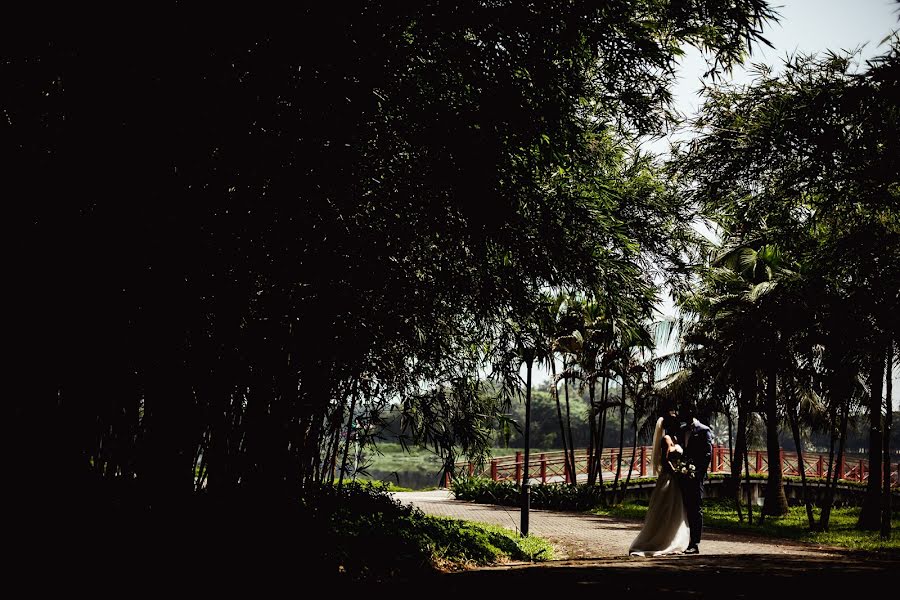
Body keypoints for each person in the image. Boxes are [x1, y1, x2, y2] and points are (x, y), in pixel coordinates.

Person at [627, 412, 690, 556]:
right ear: (669, 424)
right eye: (675, 421)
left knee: (675, 510)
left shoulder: (675, 438)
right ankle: (658, 540)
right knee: (665, 509)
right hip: (669, 477)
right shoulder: (666, 438)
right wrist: (676, 472)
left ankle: (673, 539)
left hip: (675, 477)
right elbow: (665, 460)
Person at [678, 407, 713, 555]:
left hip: (695, 476)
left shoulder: (704, 430)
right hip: (681, 475)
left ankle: (694, 543)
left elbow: (707, 454)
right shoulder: (682, 430)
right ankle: (682, 540)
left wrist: (698, 473)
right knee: (682, 508)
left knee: (695, 509)